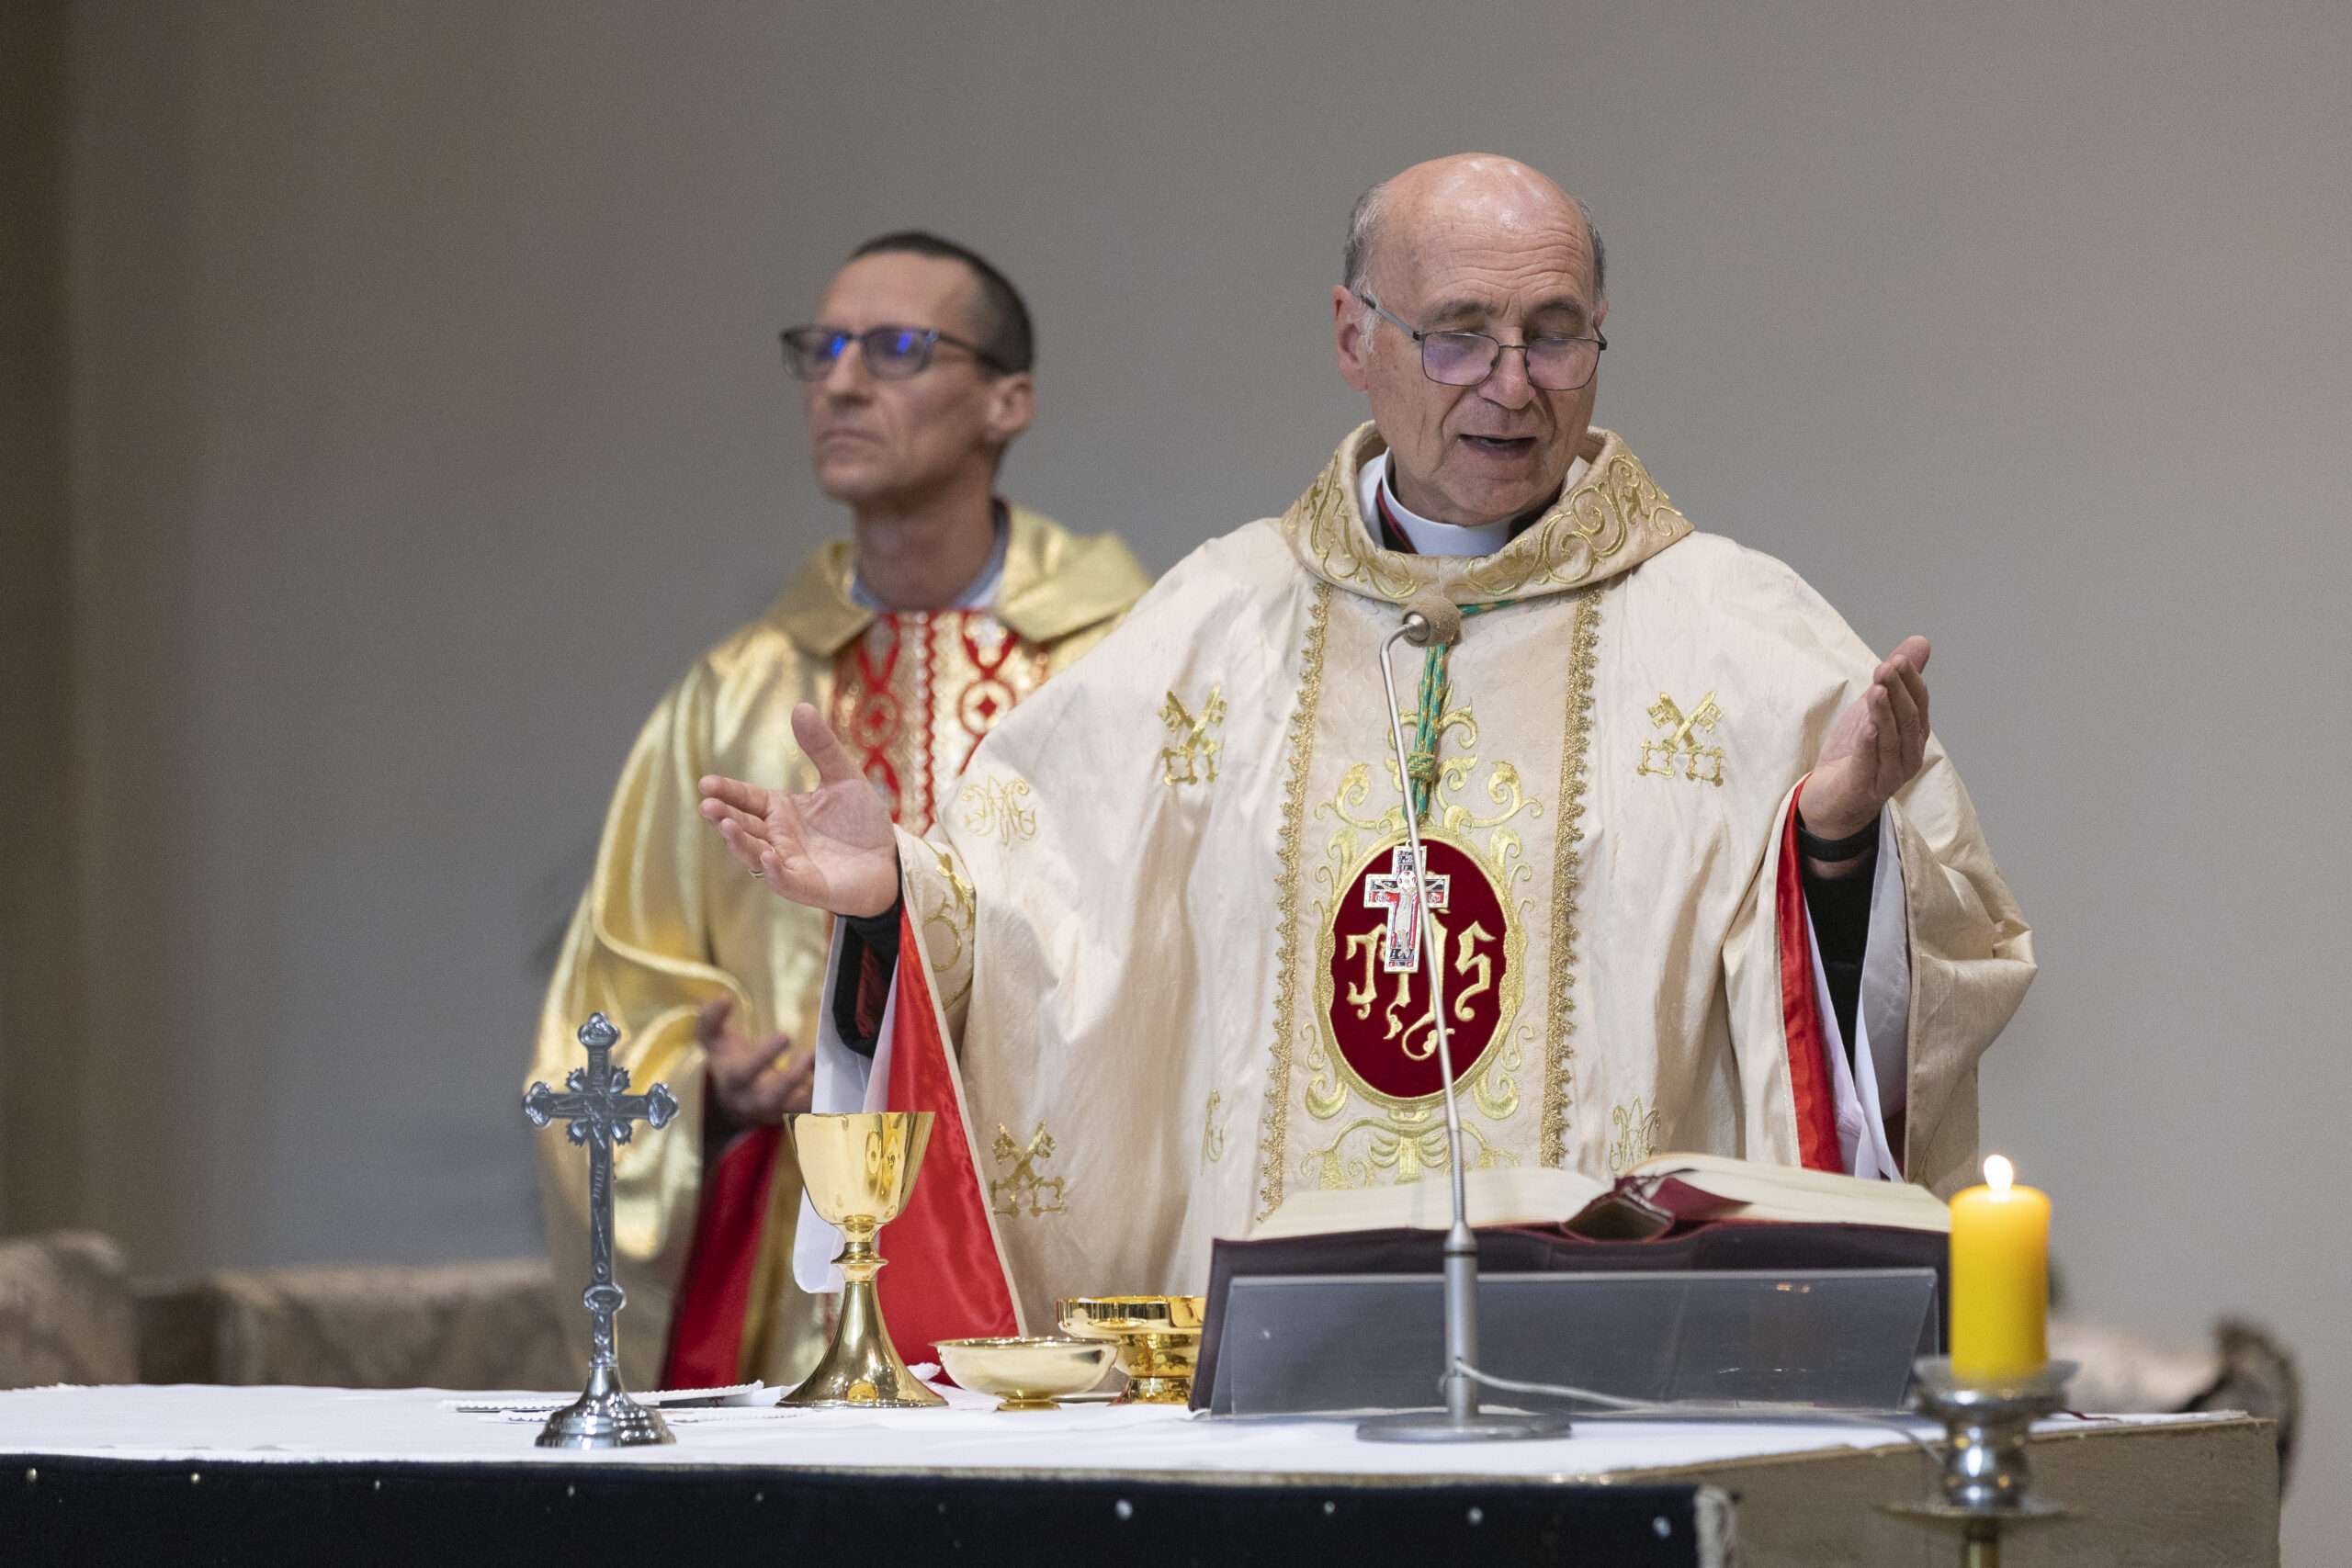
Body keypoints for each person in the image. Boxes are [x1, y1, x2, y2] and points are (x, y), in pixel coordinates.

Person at [697, 157, 2035, 1331]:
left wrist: (1837, 849)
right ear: (1354, 335)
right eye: (1458, 335)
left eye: (1555, 335)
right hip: (1278, 1359)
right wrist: (895, 899)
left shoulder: (1741, 636)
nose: (1512, 384)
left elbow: (1931, 976)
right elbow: (1031, 926)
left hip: (1607, 1365)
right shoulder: (1217, 624)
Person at [530, 231, 1148, 1389]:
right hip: (794, 1275)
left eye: (896, 349)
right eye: (819, 351)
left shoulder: (1120, 669)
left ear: (1007, 401)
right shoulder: (734, 696)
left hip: (1036, 1248)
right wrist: (706, 1081)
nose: (842, 383)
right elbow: (612, 997)